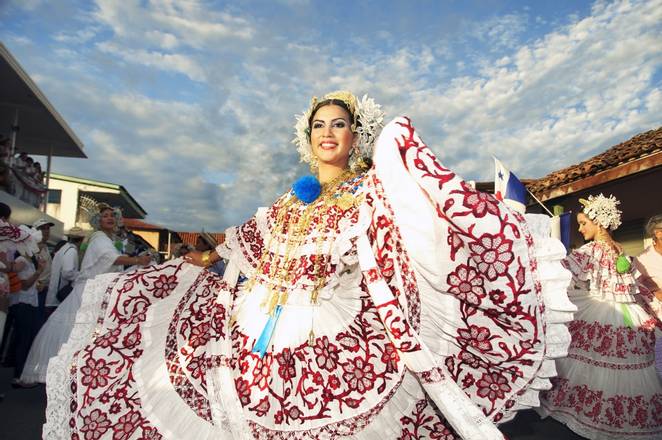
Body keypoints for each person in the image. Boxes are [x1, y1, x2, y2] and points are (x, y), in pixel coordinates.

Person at [45, 92, 573, 439]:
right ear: (307, 139)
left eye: (339, 124)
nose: (327, 132)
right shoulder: (289, 199)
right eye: (319, 125)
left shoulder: (371, 191)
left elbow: (408, 234)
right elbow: (238, 243)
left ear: (354, 135)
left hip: (333, 328)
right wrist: (193, 257)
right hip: (259, 328)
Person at [539, 195, 662, 439]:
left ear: (599, 223)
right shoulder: (620, 250)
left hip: (604, 314)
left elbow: (560, 273)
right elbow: (632, 287)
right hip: (627, 317)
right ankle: (624, 418)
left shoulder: (590, 251)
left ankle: (591, 415)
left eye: (584, 223)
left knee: (589, 363)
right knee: (623, 369)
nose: (581, 228)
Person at [20, 204, 151, 384]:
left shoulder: (107, 239)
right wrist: (137, 260)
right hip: (88, 292)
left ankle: (80, 373)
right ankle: (70, 372)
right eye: (105, 216)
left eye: (112, 215)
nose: (109, 218)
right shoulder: (99, 238)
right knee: (79, 331)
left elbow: (113, 263)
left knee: (86, 333)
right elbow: (109, 258)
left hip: (95, 290)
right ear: (98, 221)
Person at [44, 227, 86, 315]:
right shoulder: (71, 251)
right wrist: (81, 275)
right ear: (81, 240)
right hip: (59, 297)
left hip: (55, 296)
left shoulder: (64, 249)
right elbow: (67, 273)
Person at [32, 218, 55, 326]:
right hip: (36, 289)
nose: (46, 231)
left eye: (48, 228)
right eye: (42, 228)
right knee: (34, 322)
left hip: (44, 289)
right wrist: (37, 283)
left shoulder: (45, 247)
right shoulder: (34, 247)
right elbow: (29, 268)